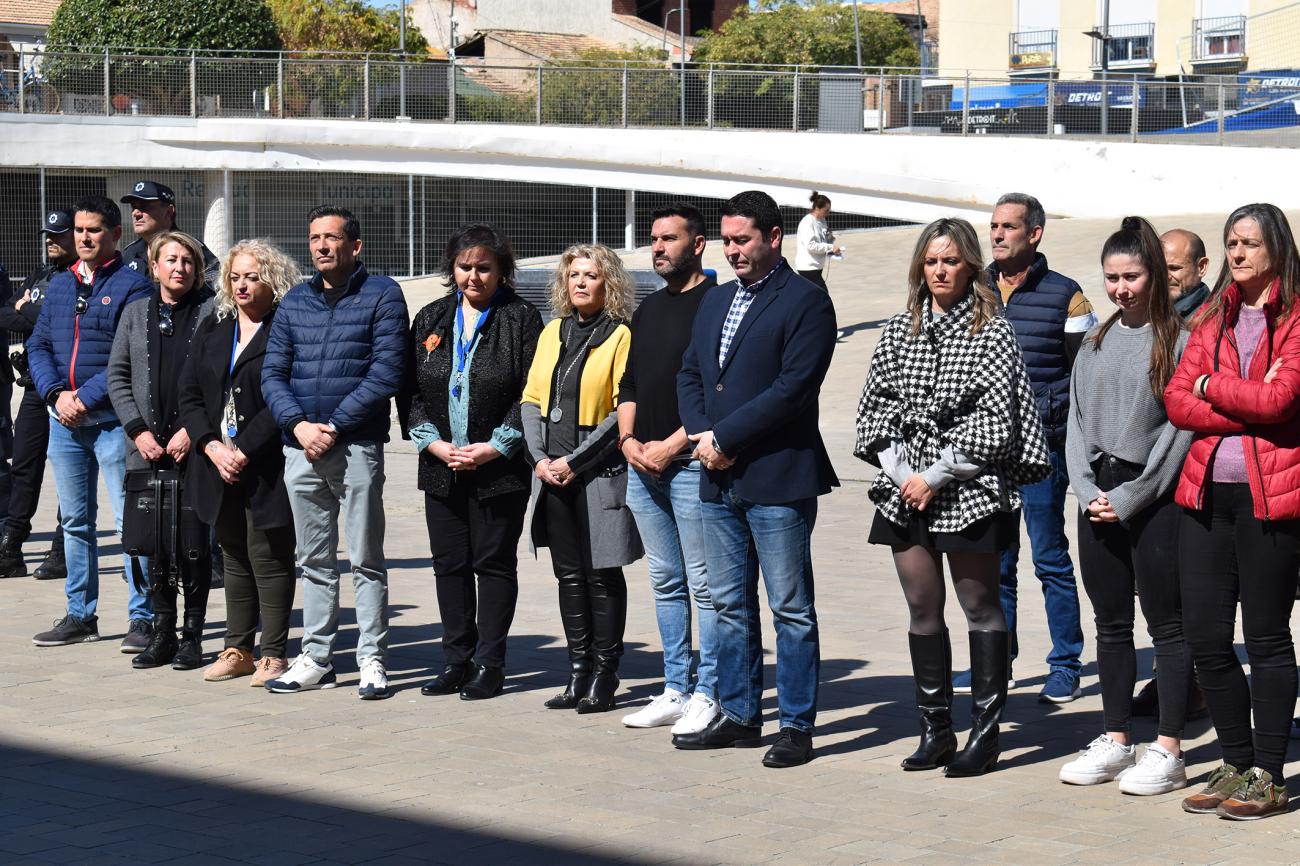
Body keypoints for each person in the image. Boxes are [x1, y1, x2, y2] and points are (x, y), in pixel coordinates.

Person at [857, 217, 1048, 778]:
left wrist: (936, 475)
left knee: (979, 604)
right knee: (922, 606)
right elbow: (874, 406)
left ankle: (985, 734)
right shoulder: (899, 329)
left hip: (970, 488)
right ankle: (935, 729)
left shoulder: (993, 332)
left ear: (970, 266)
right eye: (931, 261)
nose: (940, 271)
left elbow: (996, 422)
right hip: (905, 488)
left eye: (951, 261)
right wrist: (905, 474)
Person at [673, 190, 838, 769]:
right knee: (728, 603)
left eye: (742, 239)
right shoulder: (717, 299)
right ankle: (741, 714)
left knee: (790, 608)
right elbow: (691, 374)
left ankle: (795, 725)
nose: (732, 250)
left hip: (777, 477)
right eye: (727, 240)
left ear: (773, 237)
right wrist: (703, 435)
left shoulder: (807, 301)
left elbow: (792, 390)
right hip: (717, 477)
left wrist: (725, 439)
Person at [1165, 203, 1300, 821]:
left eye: (1249, 243)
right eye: (1231, 243)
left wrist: (1211, 387)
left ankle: (1269, 774)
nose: (1237, 254)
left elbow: (1281, 401)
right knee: (1206, 636)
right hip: (1205, 496)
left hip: (1271, 498)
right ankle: (1236, 762)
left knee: (1266, 636)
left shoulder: (1294, 316)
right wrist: (1241, 400)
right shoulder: (1212, 316)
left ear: (1276, 248)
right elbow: (1176, 399)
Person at [1057, 217, 1195, 796]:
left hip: (1154, 498)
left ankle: (1168, 749)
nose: (1121, 289)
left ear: (1155, 275)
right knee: (1110, 623)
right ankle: (1116, 738)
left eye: (1132, 276)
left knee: (1166, 623)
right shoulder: (1094, 342)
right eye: (1112, 278)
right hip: (1097, 497)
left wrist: (1132, 496)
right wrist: (1087, 489)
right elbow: (1075, 421)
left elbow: (1180, 429)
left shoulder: (1180, 340)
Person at [261, 206, 409, 699]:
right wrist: (299, 426)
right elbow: (273, 374)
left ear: (355, 246)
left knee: (365, 557)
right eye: (314, 238)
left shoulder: (382, 294)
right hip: (300, 448)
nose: (321, 246)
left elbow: (387, 372)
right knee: (313, 559)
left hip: (356, 446)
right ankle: (316, 657)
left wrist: (335, 425)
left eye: (331, 237)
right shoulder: (294, 301)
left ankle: (372, 659)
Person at [963, 192, 1096, 704]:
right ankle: (997, 664)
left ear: (1034, 234)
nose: (997, 235)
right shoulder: (974, 290)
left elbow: (1084, 373)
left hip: (1042, 454)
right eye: (994, 226)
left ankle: (1065, 665)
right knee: (996, 563)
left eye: (1009, 227)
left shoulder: (1067, 294)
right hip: (986, 456)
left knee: (1050, 559)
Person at [410, 225, 542, 701]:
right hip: (441, 466)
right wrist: (431, 443)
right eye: (464, 267)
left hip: (497, 470)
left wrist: (498, 445)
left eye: (484, 268)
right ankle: (455, 660)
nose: (473, 276)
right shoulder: (430, 317)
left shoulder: (521, 318)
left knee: (493, 564)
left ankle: (490, 663)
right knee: (449, 565)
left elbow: (531, 391)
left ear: (501, 270)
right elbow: (410, 391)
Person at [27, 195, 154, 650]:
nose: (83, 237)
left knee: (129, 523)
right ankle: (80, 615)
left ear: (115, 234)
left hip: (114, 422)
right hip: (64, 422)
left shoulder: (134, 286)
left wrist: (83, 397)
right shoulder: (61, 284)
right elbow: (38, 345)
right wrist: (55, 395)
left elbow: (129, 355)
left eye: (93, 230)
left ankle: (143, 618)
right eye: (79, 230)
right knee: (76, 522)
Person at [521, 243, 641, 714]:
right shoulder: (553, 331)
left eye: (591, 275)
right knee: (568, 576)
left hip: (595, 469)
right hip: (551, 470)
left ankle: (605, 675)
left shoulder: (621, 335)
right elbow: (531, 399)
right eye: (574, 275)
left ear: (608, 282)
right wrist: (538, 458)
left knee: (601, 574)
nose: (581, 283)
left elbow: (621, 410)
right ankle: (577, 673)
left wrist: (575, 461)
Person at [617, 204, 720, 734]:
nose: (657, 247)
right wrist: (629, 441)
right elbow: (630, 382)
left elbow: (717, 388)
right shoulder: (649, 309)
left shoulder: (718, 304)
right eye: (653, 239)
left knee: (705, 584)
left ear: (697, 244)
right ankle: (676, 687)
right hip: (643, 467)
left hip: (690, 465)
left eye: (669, 239)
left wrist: (673, 444)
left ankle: (711, 691)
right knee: (665, 580)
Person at [178, 239, 298, 686]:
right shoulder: (215, 325)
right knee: (233, 554)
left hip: (266, 461)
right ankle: (238, 648)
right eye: (235, 277)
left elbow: (285, 395)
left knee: (269, 555)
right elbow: (189, 394)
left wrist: (244, 449)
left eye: (252, 276)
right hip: (217, 461)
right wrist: (211, 446)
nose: (242, 285)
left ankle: (274, 654)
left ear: (272, 280)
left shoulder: (285, 327)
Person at [108, 231, 215, 670]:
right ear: (154, 267)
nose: (180, 268)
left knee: (193, 546)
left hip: (195, 449)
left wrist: (194, 430)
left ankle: (193, 636)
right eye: (171, 260)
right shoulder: (135, 313)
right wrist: (138, 432)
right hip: (147, 451)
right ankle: (162, 632)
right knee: (154, 545)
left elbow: (220, 379)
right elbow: (117, 377)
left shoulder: (212, 312)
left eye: (188, 261)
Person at [0, 211, 72, 581]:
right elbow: (3, 315)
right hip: (33, 385)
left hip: (69, 388)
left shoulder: (81, 277)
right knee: (25, 466)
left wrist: (25, 308)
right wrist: (33, 312)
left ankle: (63, 548)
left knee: (70, 469)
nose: (50, 240)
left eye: (58, 234)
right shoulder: (40, 274)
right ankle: (11, 547)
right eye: (47, 234)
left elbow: (63, 321)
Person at [119, 181, 220, 287]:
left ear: (169, 212)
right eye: (133, 207)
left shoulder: (194, 249)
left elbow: (216, 290)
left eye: (145, 207)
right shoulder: (130, 253)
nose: (136, 213)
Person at [1162, 229, 1212, 321]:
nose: (1165, 276)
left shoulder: (1211, 318)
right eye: (1159, 269)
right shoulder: (1145, 311)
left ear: (1201, 267)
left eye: (1174, 268)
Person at [794, 192, 840, 290]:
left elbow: (826, 237)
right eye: (826, 211)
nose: (827, 213)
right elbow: (811, 246)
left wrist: (831, 241)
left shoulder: (822, 221)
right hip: (808, 267)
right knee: (823, 295)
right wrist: (830, 247)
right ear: (818, 208)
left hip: (817, 266)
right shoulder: (807, 222)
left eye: (829, 211)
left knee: (812, 296)